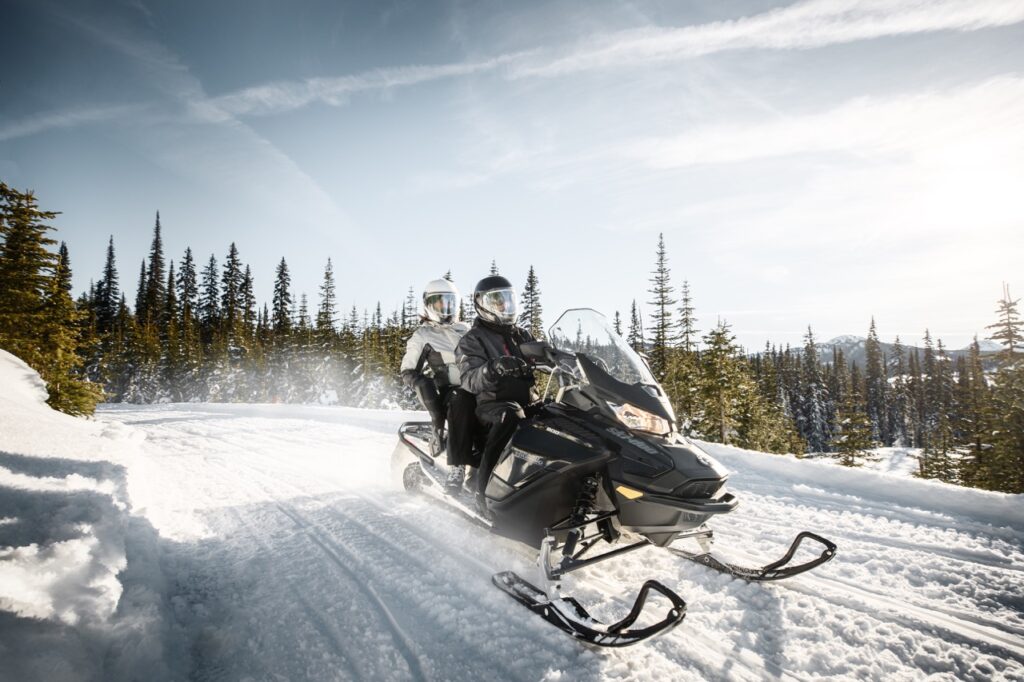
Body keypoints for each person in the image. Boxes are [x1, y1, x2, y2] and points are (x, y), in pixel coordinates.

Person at [456, 275, 536, 508]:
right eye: (497, 301)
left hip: (528, 400)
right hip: (493, 404)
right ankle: (484, 495)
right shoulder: (473, 339)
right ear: (482, 304)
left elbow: (542, 355)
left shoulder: (522, 335)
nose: (503, 306)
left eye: (507, 300)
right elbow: (469, 379)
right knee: (510, 416)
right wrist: (493, 367)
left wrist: (562, 360)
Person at [400, 278, 478, 492]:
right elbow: (408, 370)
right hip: (451, 392)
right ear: (429, 305)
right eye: (439, 303)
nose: (445, 308)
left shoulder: (467, 329)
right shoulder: (423, 335)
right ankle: (458, 466)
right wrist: (425, 389)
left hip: (479, 386)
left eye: (449, 303)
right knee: (461, 398)